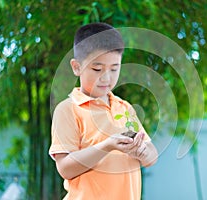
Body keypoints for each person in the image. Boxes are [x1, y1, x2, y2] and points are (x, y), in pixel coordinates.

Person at [49, 22, 158, 200]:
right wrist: (107, 145)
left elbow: (152, 156)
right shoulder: (68, 110)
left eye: (114, 69)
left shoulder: (124, 108)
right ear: (77, 67)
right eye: (97, 69)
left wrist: (141, 152)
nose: (106, 77)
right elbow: (65, 168)